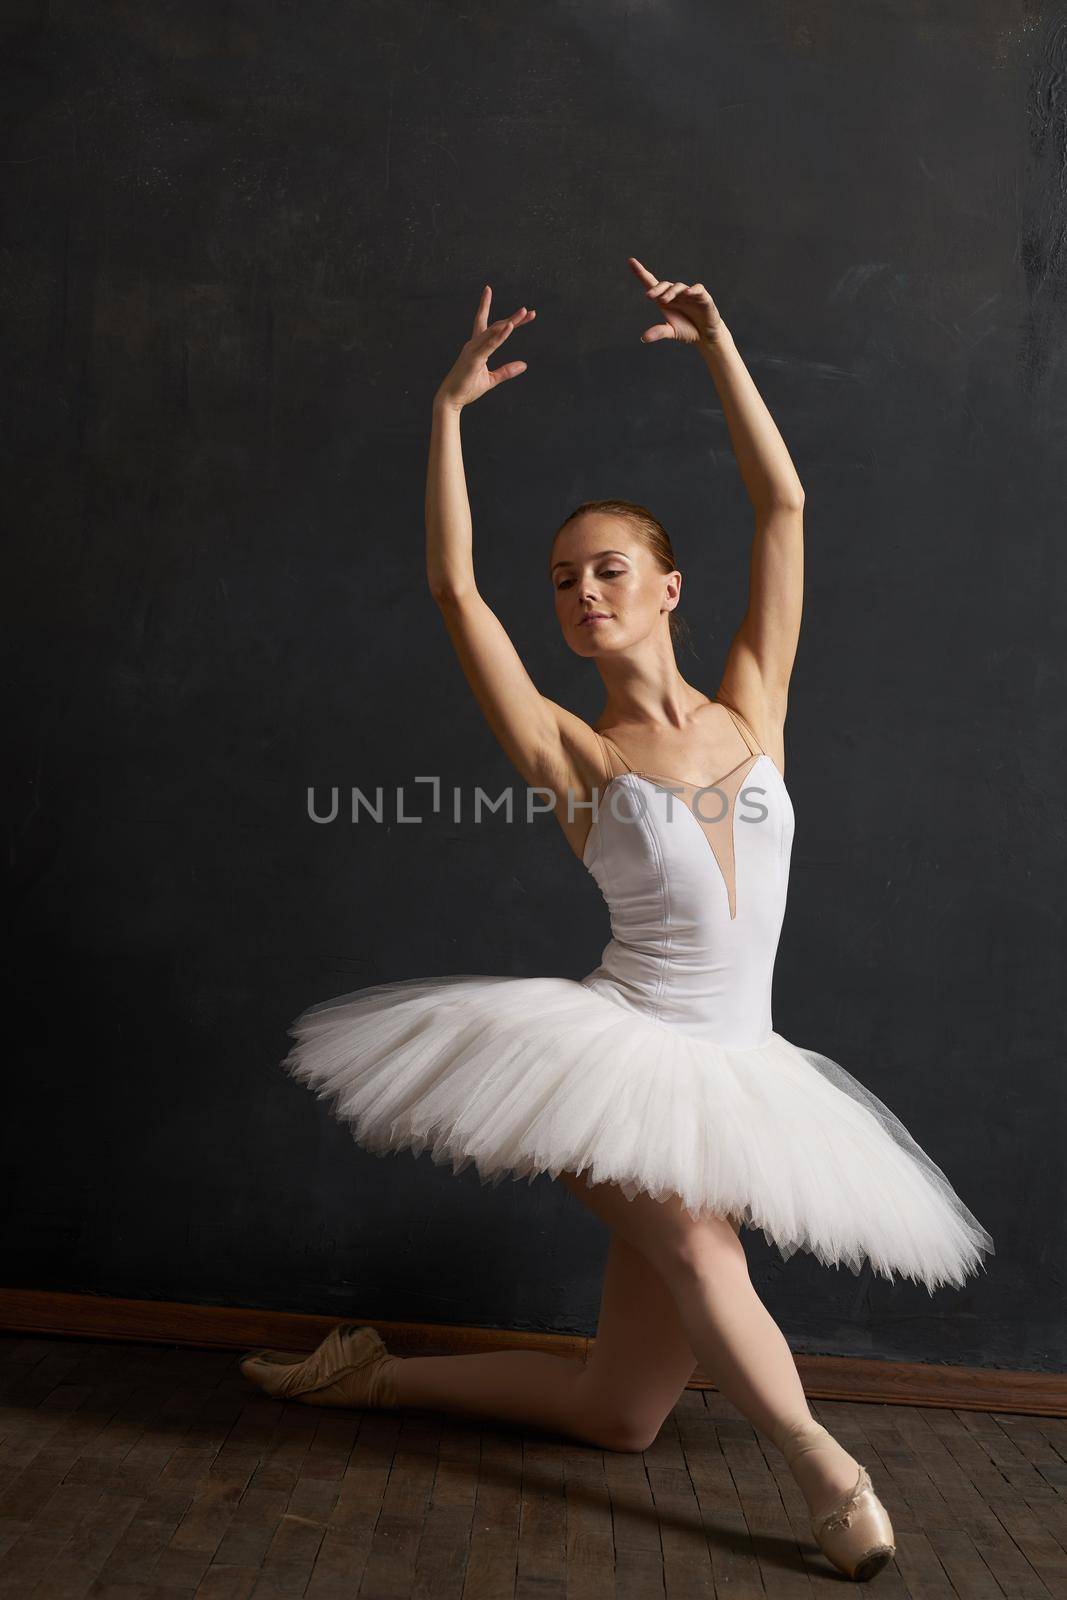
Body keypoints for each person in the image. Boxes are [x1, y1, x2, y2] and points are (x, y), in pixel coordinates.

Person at [241, 259, 994, 1582]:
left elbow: (787, 501)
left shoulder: (754, 704)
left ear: (667, 587)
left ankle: (375, 1379)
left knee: (619, 1413)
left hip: (744, 1072)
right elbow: (453, 596)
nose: (583, 593)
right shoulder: (573, 756)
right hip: (615, 1060)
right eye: (565, 581)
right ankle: (833, 1478)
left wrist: (719, 342)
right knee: (706, 1253)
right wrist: (446, 420)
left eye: (608, 571)